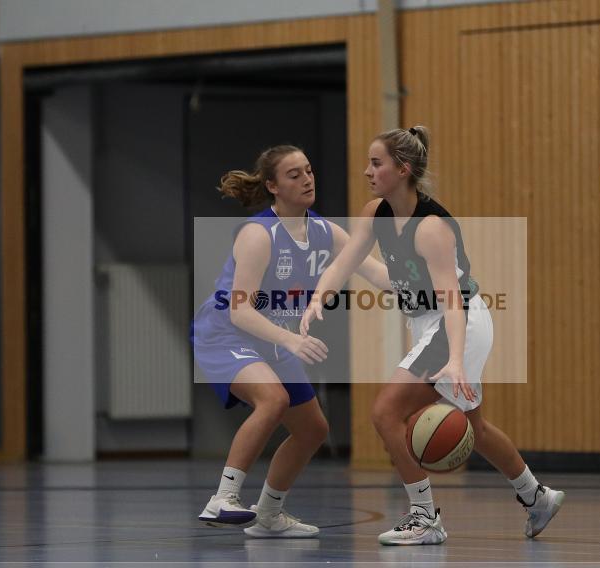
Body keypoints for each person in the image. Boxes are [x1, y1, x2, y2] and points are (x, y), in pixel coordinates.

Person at [301, 126, 564, 545]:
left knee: (386, 413)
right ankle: (536, 497)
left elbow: (453, 301)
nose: (367, 171)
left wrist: (456, 358)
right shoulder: (377, 213)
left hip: (456, 323)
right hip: (430, 323)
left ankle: (424, 518)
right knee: (474, 426)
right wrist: (318, 298)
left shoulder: (431, 228)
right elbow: (345, 263)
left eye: (376, 163)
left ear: (402, 169)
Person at [193, 145, 390, 537]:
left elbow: (374, 272)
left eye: (309, 170)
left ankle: (268, 515)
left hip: (272, 338)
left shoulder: (324, 231)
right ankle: (223, 498)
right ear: (273, 187)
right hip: (226, 333)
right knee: (274, 398)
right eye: (294, 175)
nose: (306, 179)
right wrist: (291, 340)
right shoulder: (257, 235)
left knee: (313, 429)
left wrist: (429, 282)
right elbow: (240, 311)